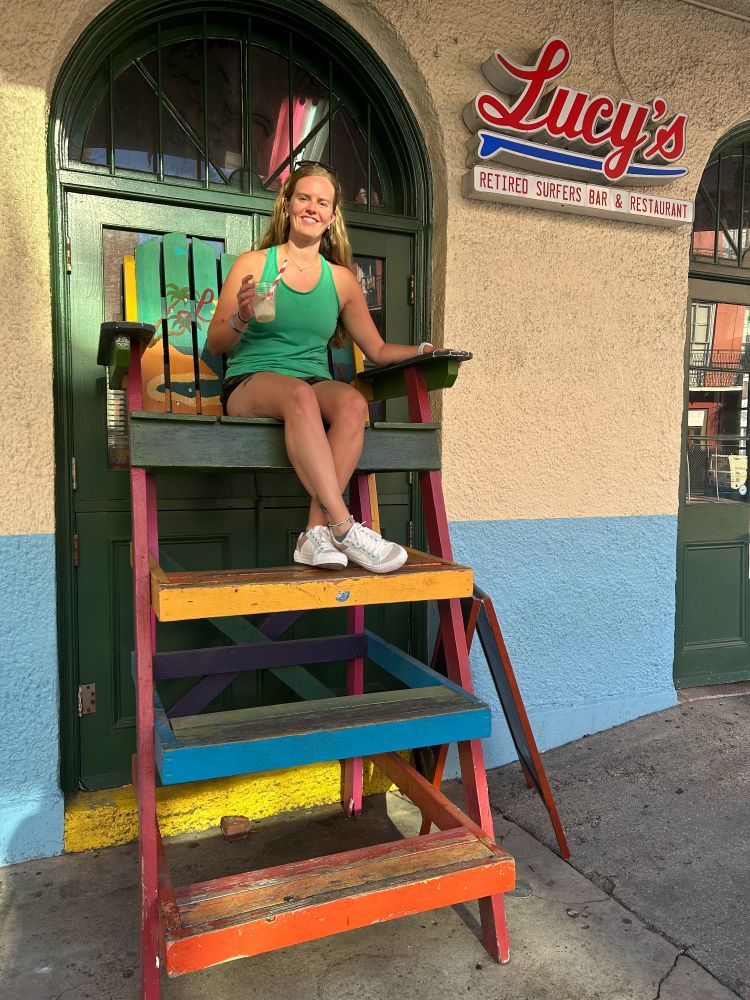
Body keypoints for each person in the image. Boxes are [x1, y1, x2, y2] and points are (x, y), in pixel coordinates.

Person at [206, 162, 434, 574]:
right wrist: (241, 316)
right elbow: (215, 343)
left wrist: (423, 350)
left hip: (311, 383)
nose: (312, 208)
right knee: (300, 395)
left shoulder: (342, 280)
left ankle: (314, 533)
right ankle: (344, 528)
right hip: (250, 382)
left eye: (322, 202)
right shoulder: (255, 265)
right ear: (288, 206)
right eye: (304, 198)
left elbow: (378, 349)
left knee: (350, 402)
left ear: (332, 217)